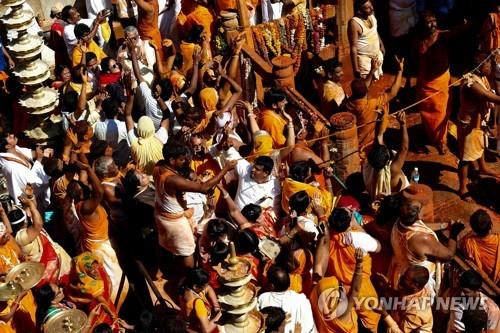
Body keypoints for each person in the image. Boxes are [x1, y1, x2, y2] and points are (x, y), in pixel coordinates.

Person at [154, 143, 235, 270]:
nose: (185, 161)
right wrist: (225, 169)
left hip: (161, 214)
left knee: (164, 243)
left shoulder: (159, 166)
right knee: (188, 252)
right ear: (171, 160)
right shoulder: (173, 180)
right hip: (175, 222)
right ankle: (189, 277)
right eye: (181, 159)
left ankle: (160, 268)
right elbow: (204, 187)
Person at [66, 161, 128, 311]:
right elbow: (99, 192)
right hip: (100, 248)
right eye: (84, 186)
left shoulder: (82, 202)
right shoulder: (86, 207)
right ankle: (112, 309)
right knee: (115, 281)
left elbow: (86, 183)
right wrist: (88, 168)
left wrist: (82, 162)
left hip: (98, 243)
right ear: (81, 193)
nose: (87, 185)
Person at [388, 195, 465, 300]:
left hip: (399, 270)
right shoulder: (422, 238)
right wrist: (454, 233)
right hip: (418, 277)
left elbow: (421, 225)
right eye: (421, 206)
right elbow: (449, 254)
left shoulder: (399, 222)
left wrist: (444, 226)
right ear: (419, 214)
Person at [415, 12, 466, 154]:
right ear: (422, 24)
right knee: (427, 113)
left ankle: (441, 141)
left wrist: (464, 25)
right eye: (429, 22)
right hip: (425, 83)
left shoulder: (441, 36)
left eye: (434, 20)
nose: (433, 24)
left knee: (441, 112)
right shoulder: (418, 40)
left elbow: (455, 32)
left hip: (441, 82)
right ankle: (431, 136)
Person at [326, 208, 381, 332]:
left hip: (338, 287)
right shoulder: (359, 238)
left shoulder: (326, 236)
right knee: (371, 319)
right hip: (361, 288)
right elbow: (378, 247)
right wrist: (359, 228)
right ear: (350, 222)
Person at [457, 52, 500, 200]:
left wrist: (494, 65)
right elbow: (487, 96)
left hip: (478, 122)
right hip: (468, 126)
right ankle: (462, 188)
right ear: (481, 66)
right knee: (465, 158)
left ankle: (482, 168)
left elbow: (493, 84)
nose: (490, 68)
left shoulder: (480, 76)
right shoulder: (471, 83)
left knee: (480, 145)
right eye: (488, 65)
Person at [344, 56, 404, 152]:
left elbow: (364, 88)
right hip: (369, 142)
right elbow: (393, 93)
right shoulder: (371, 105)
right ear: (366, 91)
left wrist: (372, 70)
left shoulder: (349, 102)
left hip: (356, 140)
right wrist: (400, 71)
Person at [13, 195, 72, 287]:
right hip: (48, 271)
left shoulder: (26, 227)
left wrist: (31, 197)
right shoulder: (21, 237)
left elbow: (33, 211)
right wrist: (30, 204)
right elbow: (38, 223)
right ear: (24, 222)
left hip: (54, 261)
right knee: (62, 287)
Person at [310, 248, 364, 333]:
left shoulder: (314, 300)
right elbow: (355, 290)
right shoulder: (341, 313)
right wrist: (359, 265)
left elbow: (318, 268)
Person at [363, 111, 409, 200]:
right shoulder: (393, 169)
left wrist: (380, 119)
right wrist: (403, 124)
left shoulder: (371, 165)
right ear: (387, 160)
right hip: (392, 200)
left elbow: (379, 136)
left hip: (376, 198)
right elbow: (404, 148)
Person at [373, 265, 433, 333]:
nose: (401, 278)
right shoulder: (413, 290)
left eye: (405, 278)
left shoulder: (417, 311)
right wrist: (387, 288)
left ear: (415, 285)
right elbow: (399, 297)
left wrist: (384, 314)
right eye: (403, 275)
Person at [257, 265, 317, 333]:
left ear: (272, 286)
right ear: (289, 283)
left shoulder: (263, 298)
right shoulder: (302, 300)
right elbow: (310, 326)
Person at [0, 134, 45, 205]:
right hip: (30, 200)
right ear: (8, 146)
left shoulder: (15, 149)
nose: (12, 135)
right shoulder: (12, 167)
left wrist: (41, 151)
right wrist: (39, 159)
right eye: (9, 137)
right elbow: (34, 183)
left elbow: (31, 154)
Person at [460, 209, 499, 284]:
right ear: (491, 226)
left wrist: (470, 232)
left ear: (474, 229)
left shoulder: (469, 243)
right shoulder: (498, 239)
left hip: (491, 281)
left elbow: (462, 244)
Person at [348, 0, 385, 79]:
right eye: (368, 8)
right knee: (365, 85)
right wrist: (356, 68)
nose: (372, 8)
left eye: (371, 5)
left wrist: (381, 44)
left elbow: (374, 31)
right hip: (364, 60)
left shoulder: (371, 15)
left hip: (376, 56)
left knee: (373, 80)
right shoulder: (354, 23)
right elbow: (353, 47)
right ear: (360, 11)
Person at [179, 268, 221, 333]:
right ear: (195, 286)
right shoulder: (198, 303)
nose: (206, 287)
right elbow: (206, 330)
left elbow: (208, 288)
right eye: (204, 286)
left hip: (187, 323)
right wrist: (221, 313)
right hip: (197, 329)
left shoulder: (184, 286)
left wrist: (216, 305)